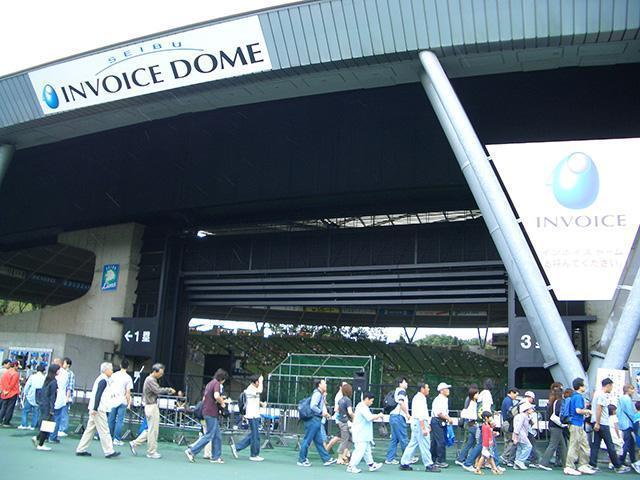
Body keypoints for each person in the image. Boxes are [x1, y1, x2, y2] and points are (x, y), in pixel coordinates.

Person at [129, 363, 176, 459]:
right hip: (151, 406)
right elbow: (157, 390)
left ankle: (135, 443)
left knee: (150, 429)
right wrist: (169, 390)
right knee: (153, 430)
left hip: (149, 406)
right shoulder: (150, 380)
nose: (161, 375)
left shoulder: (150, 379)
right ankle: (151, 452)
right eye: (160, 373)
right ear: (155, 371)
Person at [75, 362, 120, 458]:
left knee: (90, 429)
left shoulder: (101, 379)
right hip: (99, 408)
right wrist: (95, 408)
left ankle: (81, 449)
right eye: (111, 369)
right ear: (106, 370)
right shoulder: (103, 380)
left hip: (95, 408)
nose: (112, 371)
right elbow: (98, 394)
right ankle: (109, 451)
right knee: (104, 430)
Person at [184, 369, 228, 464]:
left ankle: (216, 457)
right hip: (211, 412)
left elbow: (206, 397)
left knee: (217, 435)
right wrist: (222, 403)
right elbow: (216, 396)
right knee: (209, 435)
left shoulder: (209, 384)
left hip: (207, 411)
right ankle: (192, 451)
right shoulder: (217, 384)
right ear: (222, 379)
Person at [589, 377, 628, 473]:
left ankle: (592, 464)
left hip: (597, 422)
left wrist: (596, 422)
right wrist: (598, 423)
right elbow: (599, 408)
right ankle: (617, 465)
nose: (612, 388)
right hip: (602, 423)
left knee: (596, 444)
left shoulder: (597, 393)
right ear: (608, 385)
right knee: (610, 445)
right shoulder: (602, 395)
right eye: (611, 386)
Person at [399, 383, 440, 473]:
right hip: (419, 423)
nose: (428, 389)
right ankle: (429, 464)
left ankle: (404, 463)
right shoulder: (420, 398)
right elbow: (420, 414)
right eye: (427, 387)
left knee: (413, 444)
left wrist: (426, 424)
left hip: (417, 423)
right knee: (425, 444)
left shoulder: (418, 398)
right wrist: (423, 427)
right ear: (422, 389)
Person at [297, 378, 336, 467]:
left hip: (315, 420)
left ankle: (326, 459)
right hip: (313, 420)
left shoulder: (319, 394)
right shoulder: (317, 394)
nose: (326, 385)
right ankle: (302, 459)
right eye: (324, 383)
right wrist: (321, 412)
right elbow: (313, 406)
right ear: (319, 385)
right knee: (307, 440)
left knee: (319, 441)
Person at [564, 377, 596, 476]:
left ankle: (583, 465)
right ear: (580, 386)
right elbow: (578, 410)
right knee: (574, 446)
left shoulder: (574, 396)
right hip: (576, 424)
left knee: (584, 445)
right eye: (584, 385)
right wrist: (588, 411)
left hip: (577, 424)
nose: (585, 387)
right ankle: (569, 466)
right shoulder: (578, 397)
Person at [346, 391, 383, 474]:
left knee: (367, 450)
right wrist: (379, 415)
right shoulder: (362, 407)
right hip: (360, 434)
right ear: (366, 399)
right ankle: (351, 466)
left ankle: (371, 465)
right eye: (371, 401)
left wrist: (377, 416)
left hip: (363, 434)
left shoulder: (363, 406)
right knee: (359, 451)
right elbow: (369, 417)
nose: (372, 403)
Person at [235, 373, 266, 461]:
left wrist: (261, 403)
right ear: (256, 382)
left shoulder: (253, 389)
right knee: (255, 436)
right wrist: (261, 380)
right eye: (258, 381)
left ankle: (237, 447)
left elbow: (255, 399)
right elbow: (260, 390)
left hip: (255, 414)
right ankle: (254, 455)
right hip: (252, 415)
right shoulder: (251, 389)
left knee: (253, 435)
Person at [32, 364, 60, 451]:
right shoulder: (54, 382)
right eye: (58, 370)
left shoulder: (47, 380)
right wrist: (52, 408)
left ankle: (38, 438)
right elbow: (52, 397)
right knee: (47, 425)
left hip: (43, 404)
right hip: (48, 406)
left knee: (45, 423)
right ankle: (40, 443)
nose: (59, 371)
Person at [540, 383, 567, 469]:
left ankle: (566, 464)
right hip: (556, 426)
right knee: (553, 445)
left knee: (562, 445)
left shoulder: (553, 401)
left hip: (554, 425)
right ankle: (543, 463)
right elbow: (559, 413)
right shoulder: (559, 401)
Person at [385, 377, 410, 465]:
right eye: (405, 382)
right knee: (403, 438)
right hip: (399, 417)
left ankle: (390, 458)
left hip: (393, 416)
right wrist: (407, 413)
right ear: (400, 383)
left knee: (394, 439)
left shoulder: (395, 391)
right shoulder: (402, 391)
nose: (407, 383)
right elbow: (401, 402)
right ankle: (408, 457)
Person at [108, 359, 133, 446]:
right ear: (128, 367)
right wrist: (129, 403)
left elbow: (109, 386)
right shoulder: (128, 378)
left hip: (113, 399)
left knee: (111, 419)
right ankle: (116, 439)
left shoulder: (114, 375)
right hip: (122, 400)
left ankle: (108, 438)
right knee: (120, 421)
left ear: (120, 365)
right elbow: (128, 392)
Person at [617, 384, 640, 473]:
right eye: (632, 389)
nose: (633, 391)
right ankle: (620, 461)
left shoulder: (621, 398)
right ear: (627, 390)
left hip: (623, 423)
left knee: (630, 443)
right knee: (627, 443)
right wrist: (635, 421)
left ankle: (632, 460)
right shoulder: (627, 399)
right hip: (627, 423)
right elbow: (630, 412)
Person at [430, 382, 452, 468]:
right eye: (446, 389)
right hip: (437, 421)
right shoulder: (440, 399)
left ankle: (433, 459)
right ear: (442, 390)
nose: (448, 390)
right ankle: (440, 460)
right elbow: (439, 413)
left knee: (435, 442)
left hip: (438, 421)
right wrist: (448, 418)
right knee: (440, 441)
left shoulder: (443, 399)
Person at [456, 386, 480, 467]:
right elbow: (472, 415)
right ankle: (472, 460)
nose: (478, 395)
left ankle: (461, 458)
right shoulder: (472, 403)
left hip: (469, 424)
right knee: (480, 441)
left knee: (469, 442)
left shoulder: (470, 402)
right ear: (473, 395)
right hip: (471, 424)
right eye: (477, 393)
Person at [19, 364, 46, 430]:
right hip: (39, 397)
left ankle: (24, 424)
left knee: (25, 411)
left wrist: (25, 393)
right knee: (36, 412)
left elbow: (27, 385)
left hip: (30, 396)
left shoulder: (32, 376)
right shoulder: (44, 378)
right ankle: (33, 426)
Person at [48, 358, 69, 443]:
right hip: (59, 399)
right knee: (56, 418)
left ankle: (49, 436)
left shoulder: (55, 374)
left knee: (52, 418)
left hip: (55, 398)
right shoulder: (65, 373)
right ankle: (52, 436)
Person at [499, 388, 519, 465]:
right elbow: (511, 412)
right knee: (511, 441)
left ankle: (505, 458)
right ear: (511, 393)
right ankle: (505, 456)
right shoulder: (508, 401)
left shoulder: (506, 400)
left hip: (505, 422)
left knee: (507, 441)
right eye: (515, 395)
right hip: (508, 423)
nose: (516, 397)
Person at [513, 402, 534, 470]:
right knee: (528, 446)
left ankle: (516, 463)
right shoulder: (522, 416)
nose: (532, 410)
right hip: (521, 434)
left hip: (520, 434)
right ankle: (520, 461)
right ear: (526, 409)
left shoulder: (522, 416)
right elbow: (518, 426)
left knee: (520, 448)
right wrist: (516, 436)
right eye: (530, 408)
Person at [336, 382, 354, 464]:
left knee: (349, 439)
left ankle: (345, 455)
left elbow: (337, 409)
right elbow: (350, 412)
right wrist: (354, 417)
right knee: (345, 440)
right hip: (346, 422)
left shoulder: (340, 400)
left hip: (341, 420)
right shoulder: (348, 400)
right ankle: (340, 457)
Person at [58, 357, 75, 437]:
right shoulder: (61, 372)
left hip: (65, 396)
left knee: (64, 413)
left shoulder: (70, 373)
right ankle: (59, 428)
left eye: (64, 363)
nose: (62, 364)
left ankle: (63, 429)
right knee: (60, 412)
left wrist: (67, 397)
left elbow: (69, 387)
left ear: (68, 365)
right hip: (61, 395)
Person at [0, 361, 20, 426]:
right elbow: (12, 384)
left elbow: (1, 382)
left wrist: (4, 390)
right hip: (12, 393)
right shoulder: (15, 374)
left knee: (3, 407)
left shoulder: (6, 372)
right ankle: (6, 422)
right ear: (15, 366)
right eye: (17, 366)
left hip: (4, 393)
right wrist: (8, 391)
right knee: (10, 408)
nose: (18, 368)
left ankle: (0, 420)